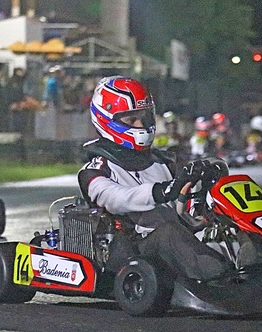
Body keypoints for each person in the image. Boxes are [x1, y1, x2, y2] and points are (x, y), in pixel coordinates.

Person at [78, 76, 234, 282]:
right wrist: (162, 191)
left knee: (227, 222)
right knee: (167, 233)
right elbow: (117, 199)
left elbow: (185, 200)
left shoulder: (163, 161)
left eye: (145, 117)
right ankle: (222, 277)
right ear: (108, 120)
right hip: (131, 251)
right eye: (131, 119)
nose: (141, 124)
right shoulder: (95, 170)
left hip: (177, 244)